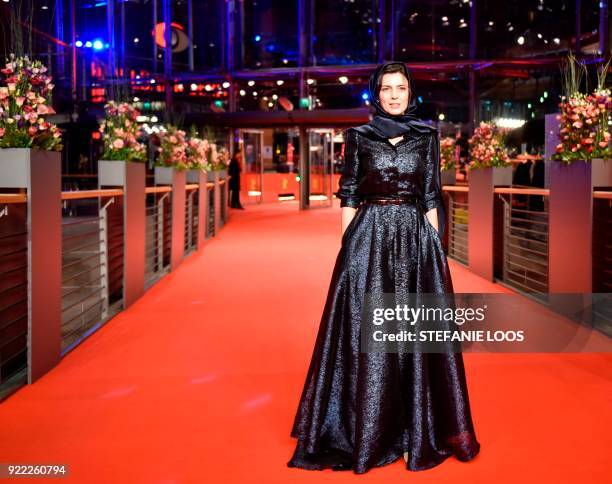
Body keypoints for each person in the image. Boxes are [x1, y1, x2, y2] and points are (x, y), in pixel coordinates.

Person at [287, 62, 481, 473]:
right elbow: (350, 193)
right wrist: (347, 251)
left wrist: (436, 254)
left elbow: (431, 195)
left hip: (415, 240)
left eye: (401, 88)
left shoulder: (427, 136)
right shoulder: (358, 137)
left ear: (411, 92)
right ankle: (369, 432)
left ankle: (417, 432)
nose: (394, 95)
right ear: (376, 93)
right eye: (387, 89)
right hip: (369, 240)